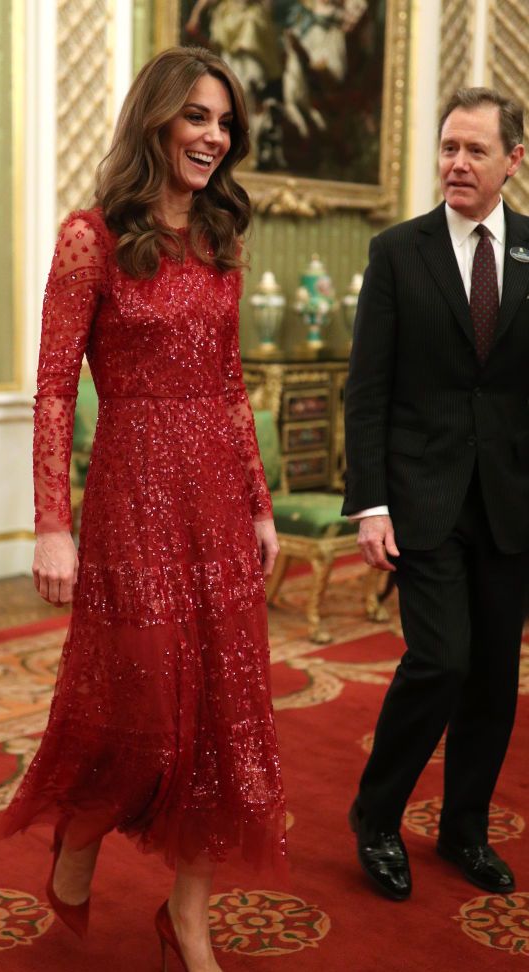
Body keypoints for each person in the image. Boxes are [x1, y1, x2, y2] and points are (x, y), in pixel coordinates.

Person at [0, 46, 287, 970]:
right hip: (130, 492)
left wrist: (259, 504)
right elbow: (52, 389)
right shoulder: (92, 235)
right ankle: (76, 840)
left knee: (222, 720)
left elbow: (232, 383)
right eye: (197, 117)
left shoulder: (222, 234)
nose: (214, 136)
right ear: (156, 120)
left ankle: (187, 917)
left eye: (225, 122)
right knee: (138, 713)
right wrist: (52, 522)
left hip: (215, 499)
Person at [342, 87, 528, 901]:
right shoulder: (398, 251)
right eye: (448, 147)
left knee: (493, 676)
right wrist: (370, 503)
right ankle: (377, 817)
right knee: (441, 660)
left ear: (513, 161)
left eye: (475, 150)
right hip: (423, 496)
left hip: (512, 504)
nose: (456, 162)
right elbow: (366, 390)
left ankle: (463, 830)